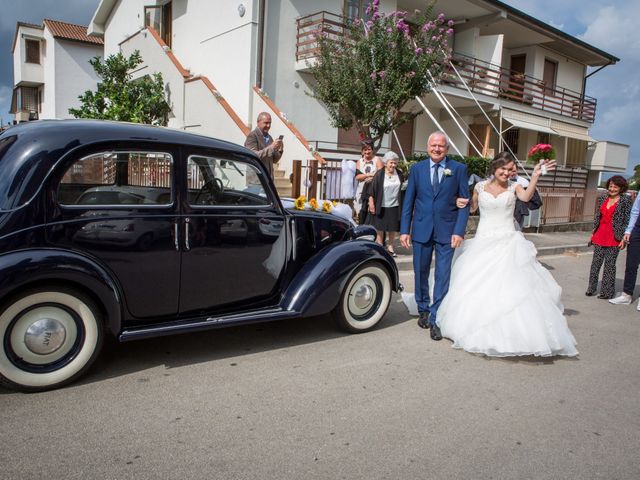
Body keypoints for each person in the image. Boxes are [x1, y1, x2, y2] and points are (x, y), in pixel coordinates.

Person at [437, 152, 578, 357]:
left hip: (507, 241)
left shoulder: (515, 187)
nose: (505, 172)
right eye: (502, 168)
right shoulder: (479, 187)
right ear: (495, 168)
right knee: (476, 284)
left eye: (509, 168)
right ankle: (474, 324)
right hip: (483, 240)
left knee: (509, 286)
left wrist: (536, 175)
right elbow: (472, 207)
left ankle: (511, 334)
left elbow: (527, 197)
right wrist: (460, 202)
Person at [400, 131, 470, 341]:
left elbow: (464, 204)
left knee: (442, 274)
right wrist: (405, 229)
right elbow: (409, 201)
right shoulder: (417, 169)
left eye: (441, 146)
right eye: (433, 145)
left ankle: (436, 316)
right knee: (420, 271)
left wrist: (459, 231)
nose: (437, 149)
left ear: (447, 148)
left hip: (447, 232)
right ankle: (423, 307)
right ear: (428, 146)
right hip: (421, 229)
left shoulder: (458, 169)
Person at [587, 176, 632, 299]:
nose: (612, 189)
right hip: (599, 234)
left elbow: (628, 219)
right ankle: (591, 288)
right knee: (595, 264)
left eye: (615, 187)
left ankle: (607, 292)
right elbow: (598, 216)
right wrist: (593, 232)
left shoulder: (626, 200)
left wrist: (624, 238)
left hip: (614, 237)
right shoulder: (602, 198)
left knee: (610, 265)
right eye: (610, 186)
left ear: (621, 188)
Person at [366, 151, 404, 256]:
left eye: (395, 163)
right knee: (380, 227)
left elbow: (403, 188)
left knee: (393, 227)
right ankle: (379, 246)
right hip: (381, 204)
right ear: (386, 163)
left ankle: (390, 246)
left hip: (395, 205)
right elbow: (371, 190)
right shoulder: (379, 174)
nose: (393, 165)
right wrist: (371, 203)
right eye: (391, 162)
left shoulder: (399, 174)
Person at [609, 192, 640, 310]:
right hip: (637, 230)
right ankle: (626, 295)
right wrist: (628, 231)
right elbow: (635, 211)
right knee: (631, 264)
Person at [244, 112, 283, 178]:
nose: (268, 126)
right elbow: (253, 156)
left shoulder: (269, 137)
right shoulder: (252, 136)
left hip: (268, 179)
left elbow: (274, 160)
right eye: (266, 123)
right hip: (256, 180)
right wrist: (271, 147)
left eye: (270, 123)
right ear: (258, 122)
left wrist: (280, 149)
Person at [354, 140, 384, 223]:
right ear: (362, 151)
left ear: (372, 150)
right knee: (361, 213)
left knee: (373, 212)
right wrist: (369, 175)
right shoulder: (360, 161)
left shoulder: (377, 160)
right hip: (361, 191)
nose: (367, 151)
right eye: (365, 149)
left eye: (369, 149)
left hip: (374, 190)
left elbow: (381, 175)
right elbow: (358, 177)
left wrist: (372, 177)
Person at [509, 164, 543, 230]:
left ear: (517, 170)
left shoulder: (523, 182)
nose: (511, 173)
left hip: (518, 213)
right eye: (510, 170)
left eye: (514, 171)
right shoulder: (500, 181)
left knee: (516, 232)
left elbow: (530, 198)